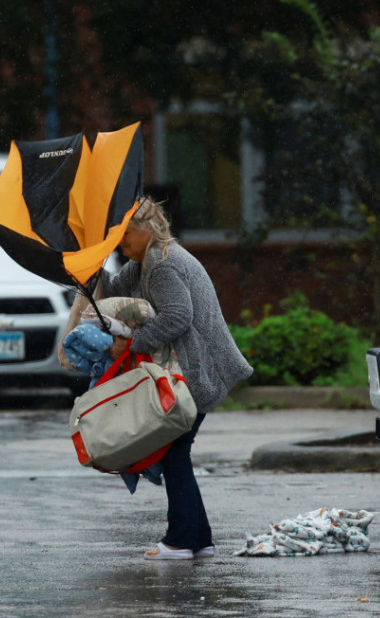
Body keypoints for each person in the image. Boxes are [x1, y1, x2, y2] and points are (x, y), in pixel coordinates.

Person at [100, 197, 253, 560]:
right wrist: (86, 267)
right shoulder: (144, 263)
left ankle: (183, 539)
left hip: (199, 368)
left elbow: (177, 317)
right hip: (195, 366)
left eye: (125, 235)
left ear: (148, 229)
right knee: (175, 449)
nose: (121, 242)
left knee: (173, 449)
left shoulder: (163, 264)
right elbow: (113, 289)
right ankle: (197, 538)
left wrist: (131, 344)